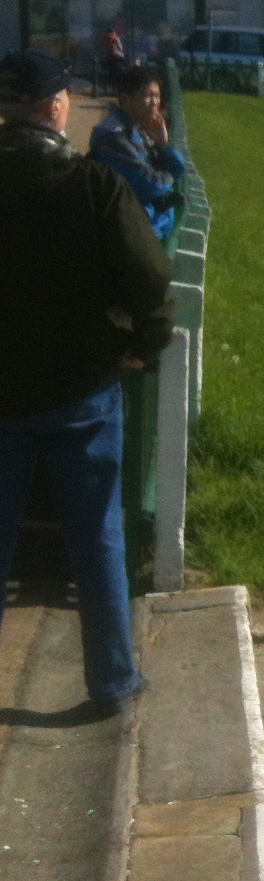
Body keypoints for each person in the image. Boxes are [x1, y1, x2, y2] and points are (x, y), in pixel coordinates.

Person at [0, 48, 172, 709]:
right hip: (82, 392)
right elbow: (151, 280)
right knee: (97, 535)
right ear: (55, 108)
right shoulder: (94, 187)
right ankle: (112, 680)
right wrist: (142, 346)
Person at [90, 62, 187, 240]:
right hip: (129, 236)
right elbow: (152, 185)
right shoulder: (113, 138)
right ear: (125, 99)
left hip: (146, 231)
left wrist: (163, 144)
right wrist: (169, 177)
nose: (155, 103)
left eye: (157, 96)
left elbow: (179, 168)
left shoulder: (138, 129)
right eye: (147, 96)